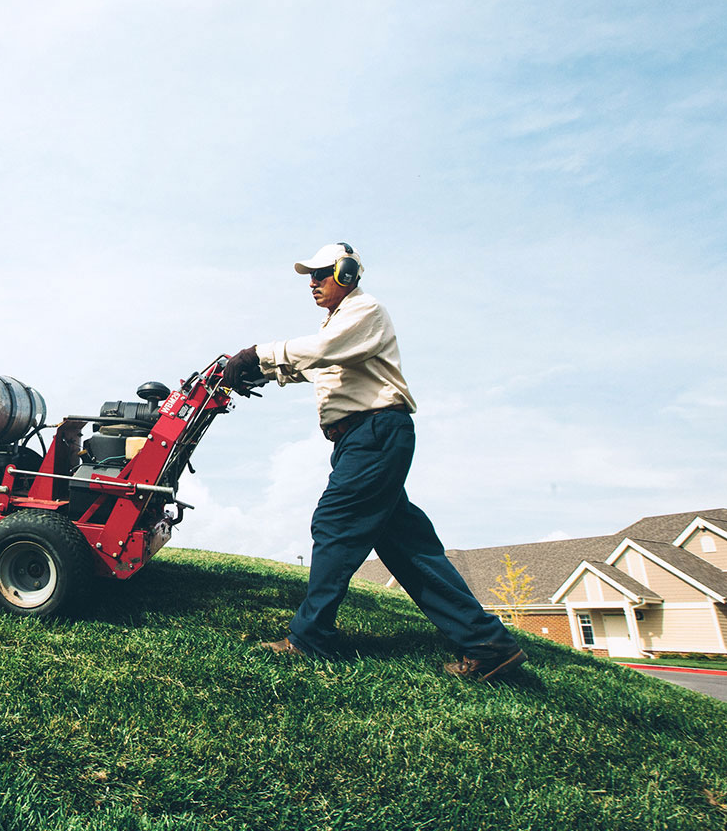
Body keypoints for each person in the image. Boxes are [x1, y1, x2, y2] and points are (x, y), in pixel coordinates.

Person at [221, 243, 527, 681]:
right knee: (408, 546)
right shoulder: (341, 324)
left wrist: (258, 353)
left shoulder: (365, 311)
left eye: (321, 273)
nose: (312, 283)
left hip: (375, 432)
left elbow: (326, 349)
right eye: (309, 276)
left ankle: (309, 639)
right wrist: (263, 372)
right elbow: (320, 364)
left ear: (346, 272)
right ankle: (489, 646)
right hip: (366, 438)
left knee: (334, 523)